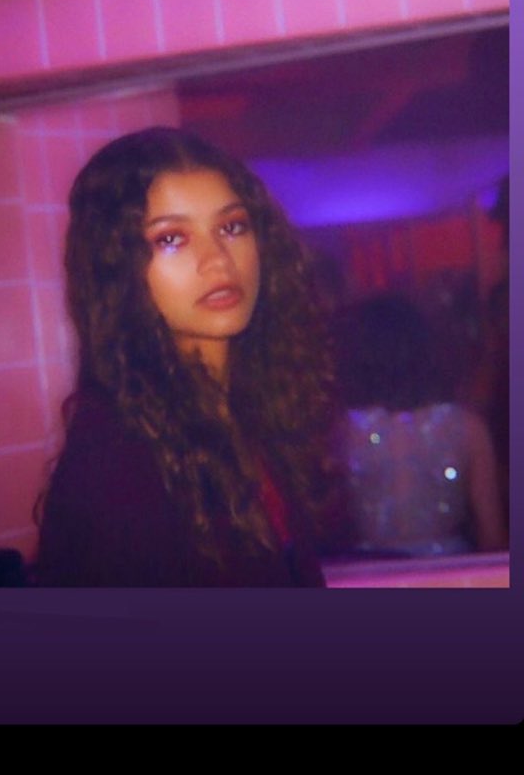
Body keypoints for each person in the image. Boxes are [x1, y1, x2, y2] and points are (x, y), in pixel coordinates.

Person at [36, 127, 335, 587]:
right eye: (171, 238)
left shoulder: (251, 413)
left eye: (231, 227)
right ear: (119, 268)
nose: (218, 260)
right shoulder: (117, 465)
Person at [330, 293, 507, 559]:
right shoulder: (469, 428)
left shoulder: (342, 431)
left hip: (369, 574)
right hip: (447, 575)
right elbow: (493, 540)